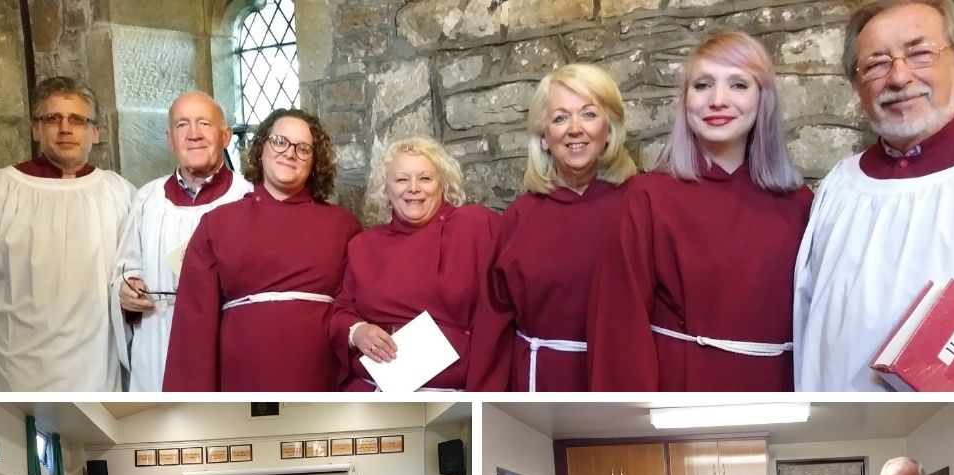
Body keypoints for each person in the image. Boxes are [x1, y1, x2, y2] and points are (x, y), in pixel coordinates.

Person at [794, 0, 954, 392]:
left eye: (919, 53)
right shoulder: (840, 186)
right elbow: (811, 329)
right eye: (876, 64)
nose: (899, 77)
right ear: (858, 87)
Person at [589, 30, 811, 392]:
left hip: (778, 386)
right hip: (681, 387)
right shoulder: (646, 198)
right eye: (703, 84)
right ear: (685, 100)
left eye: (739, 84)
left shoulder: (800, 203)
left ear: (763, 100)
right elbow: (619, 327)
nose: (718, 100)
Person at [0, 75, 135, 391]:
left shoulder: (119, 194)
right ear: (35, 129)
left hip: (97, 365)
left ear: (95, 132)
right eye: (52, 118)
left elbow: (137, 275)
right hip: (16, 367)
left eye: (77, 119)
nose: (65, 128)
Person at [163, 107, 362, 391]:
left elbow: (357, 309)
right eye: (280, 141)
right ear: (261, 149)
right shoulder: (218, 225)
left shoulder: (342, 226)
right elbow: (193, 326)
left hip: (320, 376)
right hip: (242, 375)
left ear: (315, 162)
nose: (290, 153)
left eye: (303, 148)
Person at [468, 63, 638, 391]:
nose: (575, 129)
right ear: (544, 137)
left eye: (589, 114)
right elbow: (495, 319)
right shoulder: (520, 216)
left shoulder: (640, 205)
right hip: (540, 380)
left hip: (620, 380)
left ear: (610, 129)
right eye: (560, 118)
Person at [329, 136, 500, 390]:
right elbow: (341, 311)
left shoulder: (475, 226)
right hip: (371, 388)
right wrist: (358, 331)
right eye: (401, 179)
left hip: (449, 390)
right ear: (385, 188)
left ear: (443, 183)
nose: (413, 188)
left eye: (425, 178)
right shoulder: (363, 245)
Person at [112, 91, 252, 391]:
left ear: (225, 136)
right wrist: (127, 289)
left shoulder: (248, 198)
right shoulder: (147, 200)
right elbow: (126, 266)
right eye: (182, 125)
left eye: (204, 123)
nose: (193, 135)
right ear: (169, 140)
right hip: (158, 340)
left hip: (222, 341)